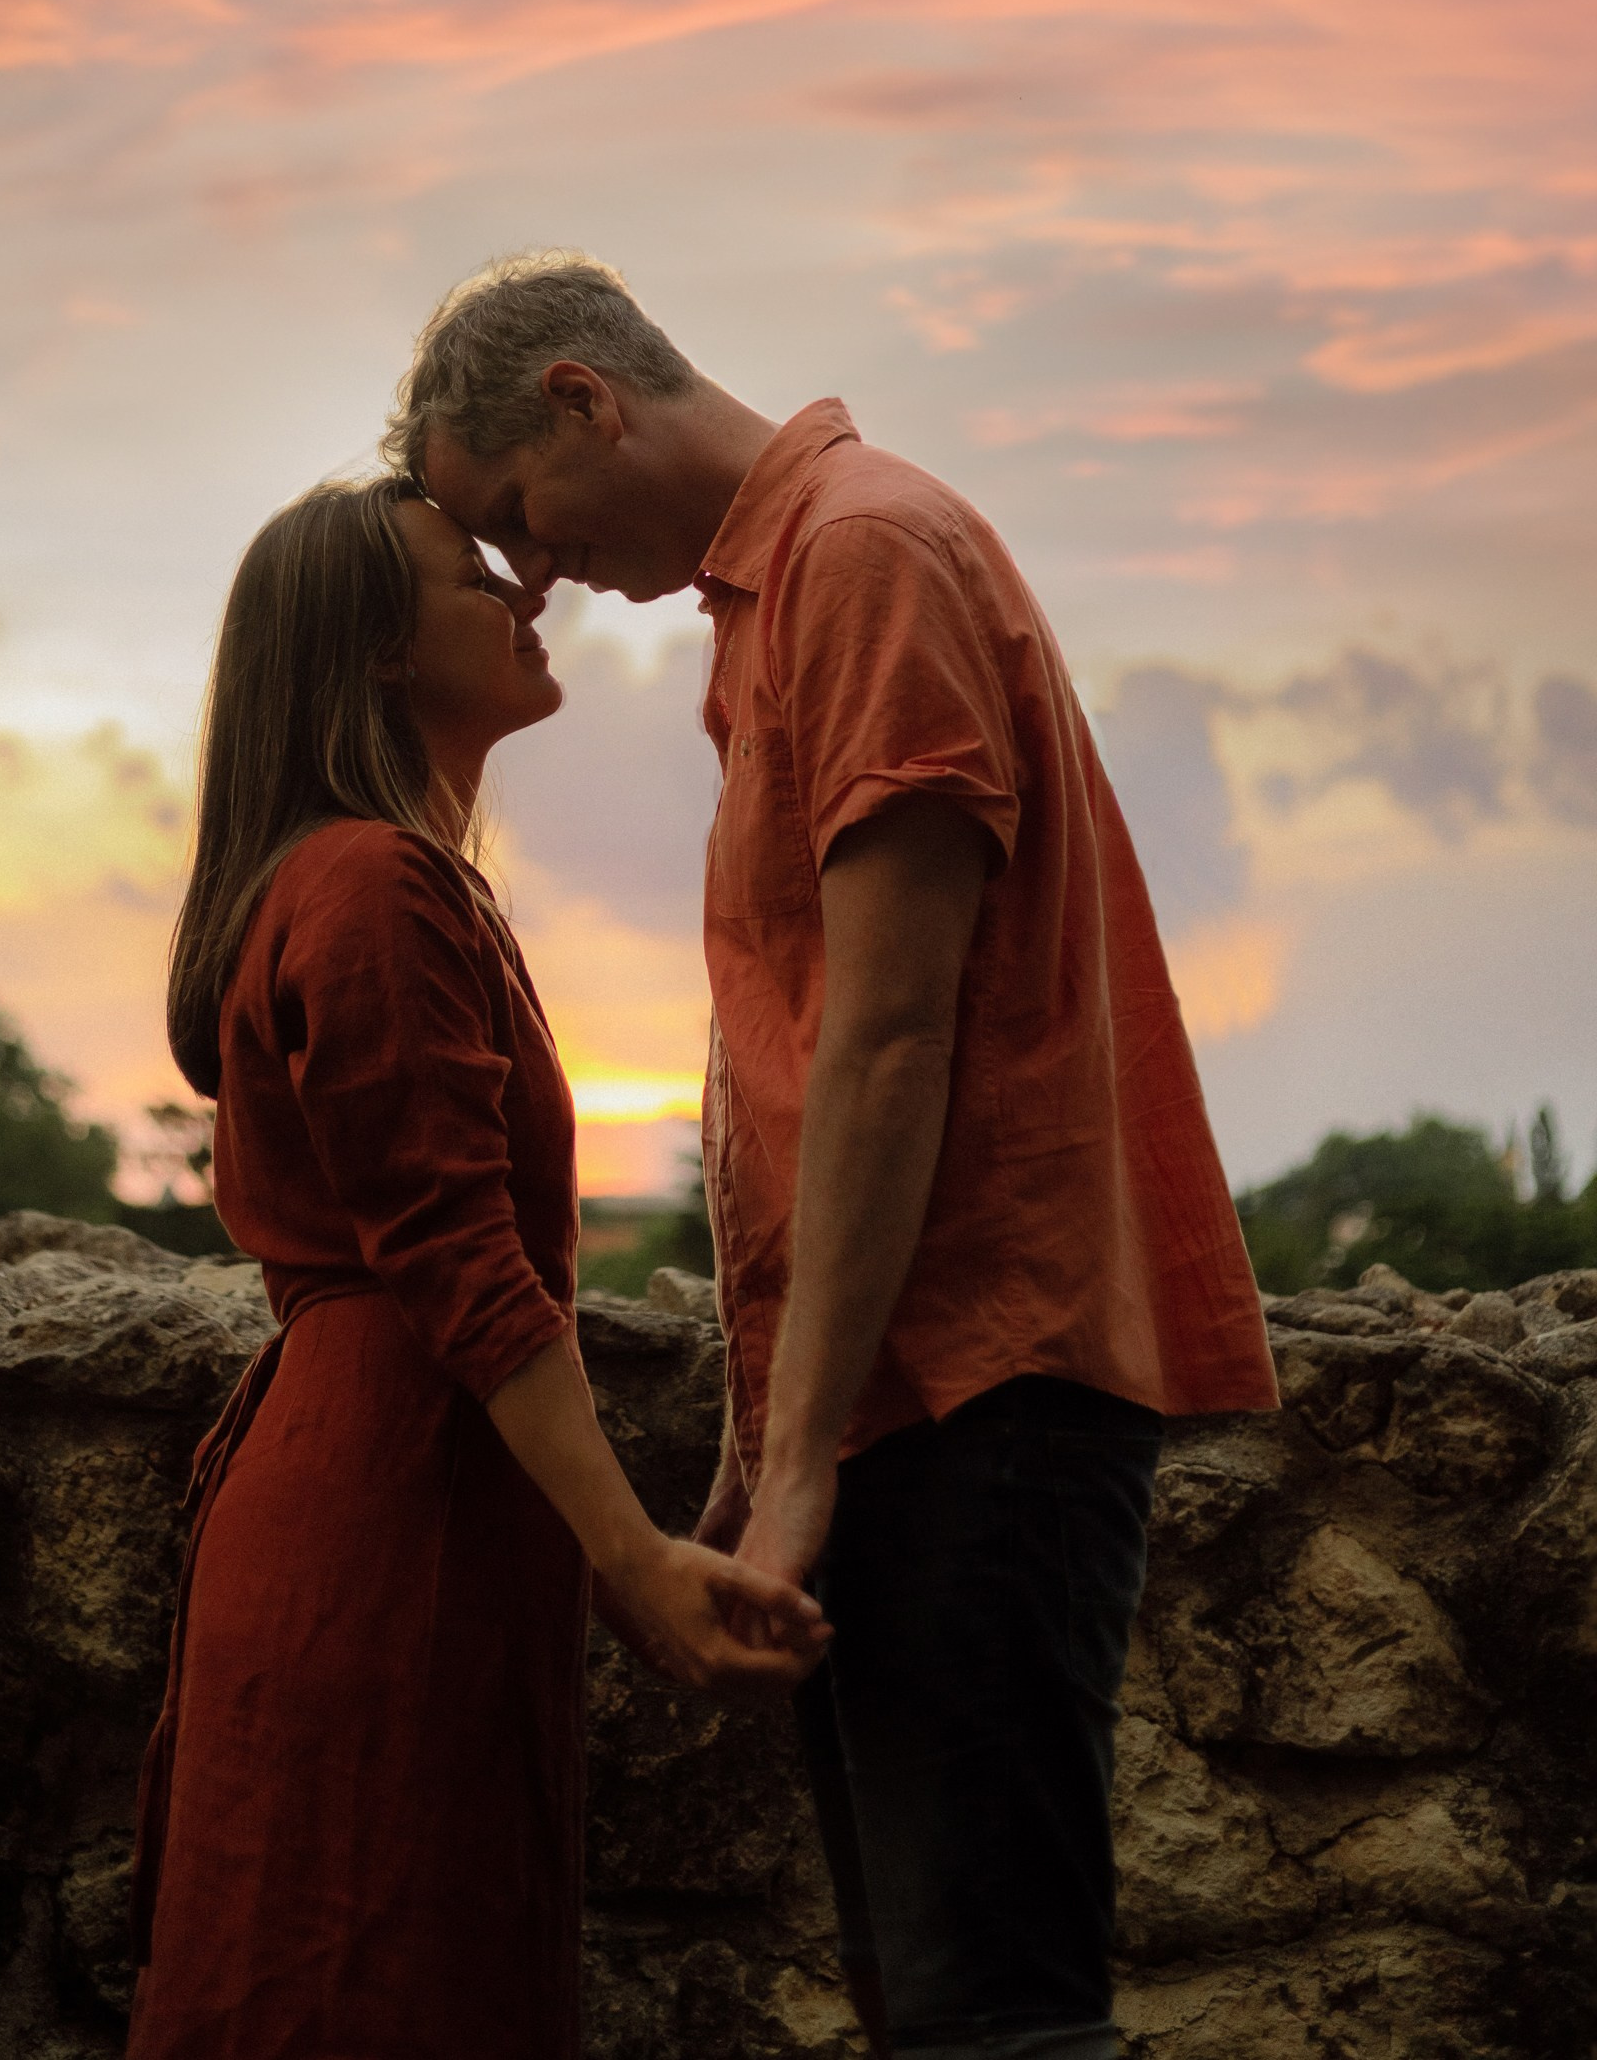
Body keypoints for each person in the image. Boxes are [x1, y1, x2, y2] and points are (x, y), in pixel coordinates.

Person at [389, 254, 1281, 2060]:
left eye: (520, 518)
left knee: (995, 2022)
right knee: (938, 2008)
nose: (538, 572)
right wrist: (774, 1444)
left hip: (983, 1383)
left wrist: (795, 1475)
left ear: (584, 399)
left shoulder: (864, 555)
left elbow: (889, 1041)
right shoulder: (791, 588)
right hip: (920, 1393)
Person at [127, 474, 824, 2060]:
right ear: (376, 651)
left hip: (410, 1484)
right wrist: (635, 1561)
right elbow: (467, 1272)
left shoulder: (388, 876)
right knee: (364, 1977)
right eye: (472, 577)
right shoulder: (368, 885)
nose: (529, 594)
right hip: (391, 1502)